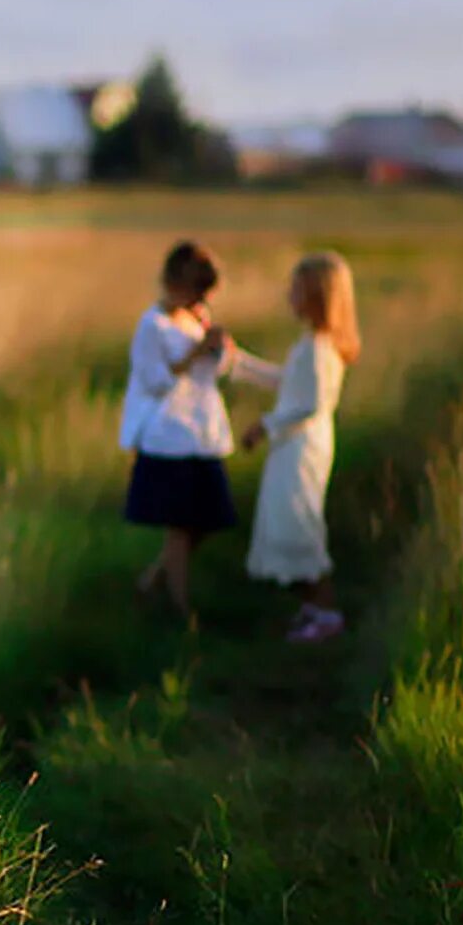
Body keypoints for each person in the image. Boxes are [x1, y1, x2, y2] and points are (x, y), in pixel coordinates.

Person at [233, 251, 361, 643]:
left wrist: (264, 426)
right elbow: (287, 382)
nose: (288, 295)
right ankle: (311, 607)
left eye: (296, 289)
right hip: (293, 446)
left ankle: (326, 613)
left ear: (317, 297)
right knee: (287, 520)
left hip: (302, 449)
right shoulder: (309, 344)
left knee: (300, 524)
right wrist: (237, 361)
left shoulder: (320, 348)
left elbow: (311, 403)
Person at [120, 240, 250, 620]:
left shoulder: (197, 318)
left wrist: (219, 349)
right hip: (167, 438)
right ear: (175, 283)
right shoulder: (152, 325)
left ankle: (152, 582)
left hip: (202, 435)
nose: (200, 299)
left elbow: (219, 371)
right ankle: (181, 609)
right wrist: (195, 353)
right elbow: (154, 380)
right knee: (180, 527)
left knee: (206, 521)